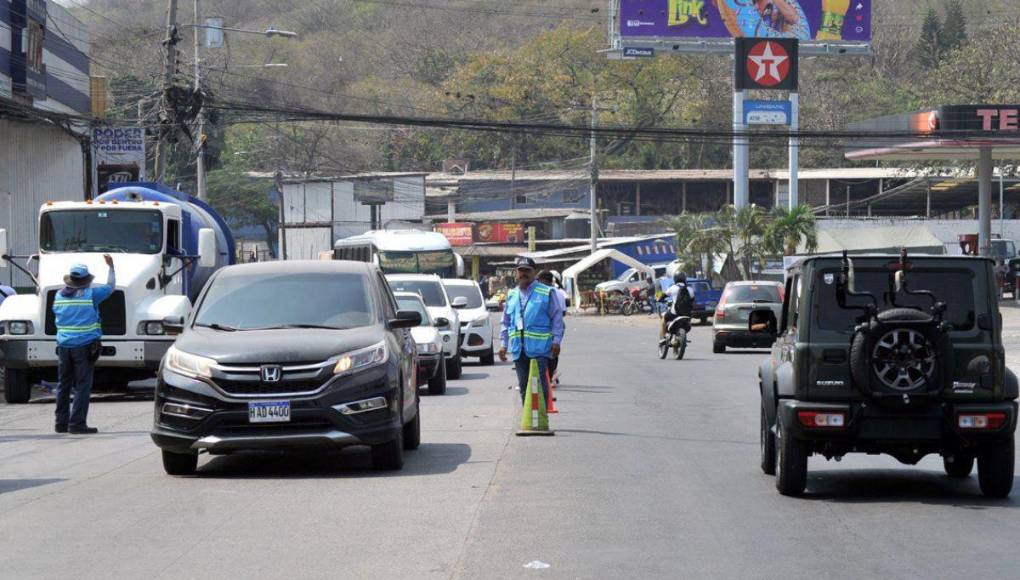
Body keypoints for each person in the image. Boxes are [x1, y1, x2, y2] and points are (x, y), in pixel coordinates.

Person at [53, 256, 115, 434]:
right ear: (86, 280)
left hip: (64, 346)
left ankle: (61, 423)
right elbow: (111, 287)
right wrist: (111, 268)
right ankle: (77, 424)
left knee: (63, 384)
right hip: (84, 346)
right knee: (82, 385)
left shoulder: (58, 295)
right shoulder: (91, 294)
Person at [499, 258, 564, 404]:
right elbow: (506, 321)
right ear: (516, 273)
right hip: (518, 349)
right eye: (521, 270)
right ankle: (528, 419)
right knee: (523, 386)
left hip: (540, 349)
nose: (523, 274)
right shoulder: (512, 294)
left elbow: (557, 318)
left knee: (539, 384)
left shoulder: (546, 292)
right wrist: (503, 344)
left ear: (534, 272)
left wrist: (556, 341)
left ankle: (541, 418)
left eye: (527, 270)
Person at [537, 270, 568, 383]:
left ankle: (548, 376)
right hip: (558, 325)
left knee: (544, 352)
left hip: (544, 328)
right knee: (554, 350)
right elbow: (563, 312)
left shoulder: (538, 292)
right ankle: (552, 374)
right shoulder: (559, 293)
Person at [660, 271, 695, 341]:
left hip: (675, 313)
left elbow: (663, 296)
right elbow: (692, 300)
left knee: (664, 318)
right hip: (687, 314)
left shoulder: (672, 288)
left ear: (675, 279)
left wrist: (659, 299)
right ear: (685, 279)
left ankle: (663, 337)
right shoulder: (690, 289)